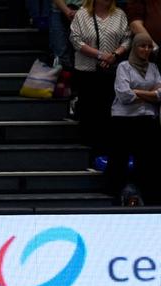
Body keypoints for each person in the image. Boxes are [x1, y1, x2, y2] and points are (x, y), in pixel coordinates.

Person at [71, 0, 131, 171]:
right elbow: (75, 40)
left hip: (110, 72)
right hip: (86, 72)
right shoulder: (82, 14)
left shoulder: (119, 15)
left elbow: (127, 39)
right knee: (90, 112)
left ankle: (105, 154)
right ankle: (89, 154)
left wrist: (113, 55)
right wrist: (100, 55)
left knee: (108, 112)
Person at [108, 32, 158, 206]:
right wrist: (150, 94)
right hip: (124, 119)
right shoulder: (124, 67)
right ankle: (118, 194)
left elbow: (160, 95)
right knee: (119, 159)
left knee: (148, 160)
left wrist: (137, 91)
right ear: (135, 47)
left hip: (146, 117)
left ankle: (146, 195)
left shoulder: (153, 68)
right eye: (142, 46)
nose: (146, 49)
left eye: (149, 46)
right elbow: (124, 95)